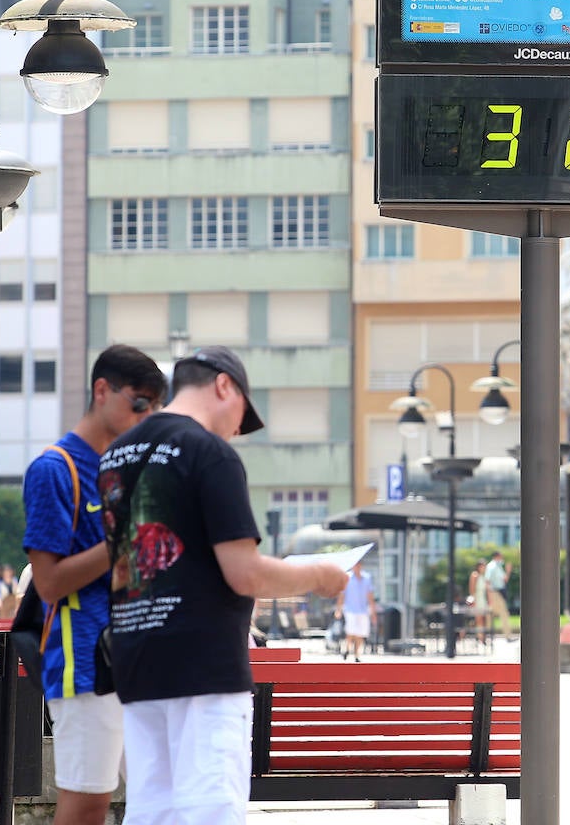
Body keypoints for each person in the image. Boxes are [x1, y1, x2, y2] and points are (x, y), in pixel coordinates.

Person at [99, 345, 348, 825]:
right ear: (223, 385)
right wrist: (319, 575)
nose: (237, 430)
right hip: (203, 662)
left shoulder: (116, 454)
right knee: (210, 805)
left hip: (136, 656)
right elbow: (245, 572)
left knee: (152, 807)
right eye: (241, 416)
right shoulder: (210, 453)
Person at [23, 344, 168, 825]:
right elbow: (47, 583)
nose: (146, 416)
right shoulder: (53, 469)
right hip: (82, 658)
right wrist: (123, 539)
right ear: (101, 391)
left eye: (155, 408)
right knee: (87, 804)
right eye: (140, 403)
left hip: (139, 657)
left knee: (161, 795)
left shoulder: (129, 469)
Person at [335, 561, 376, 662]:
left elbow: (370, 596)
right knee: (351, 632)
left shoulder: (367, 578)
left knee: (360, 633)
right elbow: (342, 595)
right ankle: (348, 648)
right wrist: (338, 609)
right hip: (350, 610)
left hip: (363, 610)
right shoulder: (347, 578)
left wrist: (373, 612)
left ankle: (357, 654)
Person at [484, 551, 513, 639]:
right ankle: (506, 635)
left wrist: (508, 571)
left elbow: (504, 580)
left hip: (498, 593)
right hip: (494, 593)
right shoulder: (491, 566)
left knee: (491, 614)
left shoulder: (498, 567)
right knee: (503, 613)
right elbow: (487, 581)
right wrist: (489, 596)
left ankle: (486, 634)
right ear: (497, 557)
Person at [469, 559, 489, 643]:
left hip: (483, 600)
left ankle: (482, 636)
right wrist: (474, 600)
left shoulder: (484, 576)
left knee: (485, 619)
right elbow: (472, 589)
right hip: (477, 599)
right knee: (479, 619)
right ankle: (480, 637)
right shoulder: (475, 575)